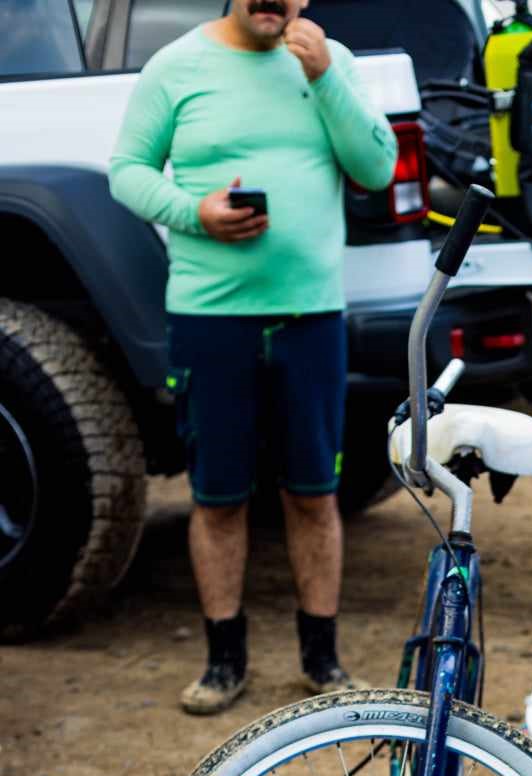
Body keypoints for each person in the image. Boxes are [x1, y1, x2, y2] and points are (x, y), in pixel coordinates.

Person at [109, 0, 398, 714]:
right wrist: (193, 212)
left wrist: (326, 75)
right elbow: (127, 170)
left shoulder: (331, 63)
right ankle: (222, 662)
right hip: (212, 318)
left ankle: (321, 659)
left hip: (310, 316)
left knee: (313, 491)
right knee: (218, 495)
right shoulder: (178, 67)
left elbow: (379, 167)